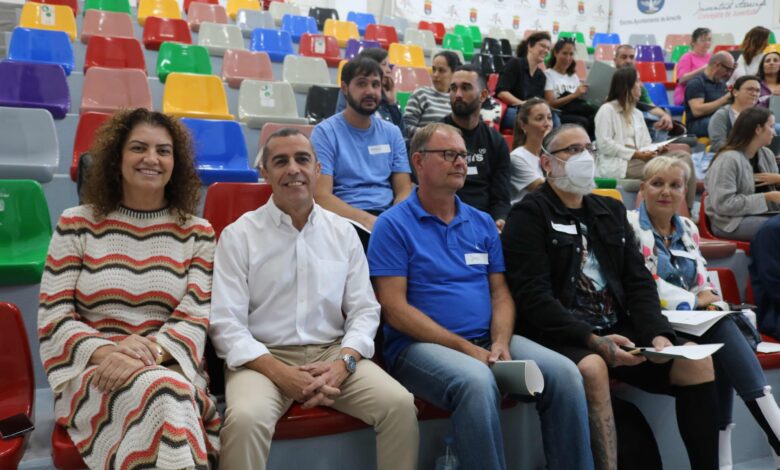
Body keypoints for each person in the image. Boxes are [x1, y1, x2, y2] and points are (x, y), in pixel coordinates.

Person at [368, 122, 593, 470]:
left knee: (565, 374)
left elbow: (500, 293)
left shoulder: (483, 222)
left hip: (487, 343)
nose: (460, 162)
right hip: (418, 348)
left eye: (462, 155)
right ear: (418, 161)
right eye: (448, 155)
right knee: (476, 381)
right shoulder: (392, 224)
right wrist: (465, 349)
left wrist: (500, 341)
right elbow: (395, 310)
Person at [502, 124, 719, 470]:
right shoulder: (529, 215)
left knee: (696, 361)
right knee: (594, 368)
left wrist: (657, 335)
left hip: (618, 328)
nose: (583, 156)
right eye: (571, 150)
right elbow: (533, 298)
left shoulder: (609, 211)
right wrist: (591, 339)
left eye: (588, 148)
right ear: (546, 163)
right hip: (560, 334)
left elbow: (639, 283)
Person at [210, 128, 419, 470]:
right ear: (265, 172)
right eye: (280, 161)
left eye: (302, 159)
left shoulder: (344, 233)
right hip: (263, 358)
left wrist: (344, 363)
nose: (293, 169)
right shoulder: (239, 235)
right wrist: (282, 374)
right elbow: (226, 324)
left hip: (332, 354)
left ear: (318, 169)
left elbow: (365, 311)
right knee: (245, 420)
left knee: (399, 405)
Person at [37, 109, 220, 469]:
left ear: (176, 162)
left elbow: (196, 313)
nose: (151, 159)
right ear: (116, 158)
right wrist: (108, 351)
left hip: (170, 364)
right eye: (139, 148)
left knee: (166, 391)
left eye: (163, 151)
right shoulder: (77, 223)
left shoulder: (198, 233)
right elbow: (54, 314)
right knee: (167, 398)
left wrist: (146, 353)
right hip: (97, 372)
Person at [629, 156, 780, 469]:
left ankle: (726, 460)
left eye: (674, 185)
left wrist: (706, 296)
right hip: (652, 321)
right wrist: (694, 301)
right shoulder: (629, 227)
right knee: (722, 328)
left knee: (718, 330)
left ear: (685, 191)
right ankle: (775, 431)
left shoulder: (686, 227)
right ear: (643, 188)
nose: (665, 192)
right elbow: (644, 284)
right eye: (657, 184)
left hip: (693, 320)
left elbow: (699, 281)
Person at [311, 57, 413, 231]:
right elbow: (321, 195)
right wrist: (368, 221)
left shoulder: (392, 132)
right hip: (343, 219)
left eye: (375, 84)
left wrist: (393, 218)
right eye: (361, 84)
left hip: (387, 216)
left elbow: (404, 189)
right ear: (344, 88)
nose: (370, 91)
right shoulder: (325, 133)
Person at [594, 66, 696, 209]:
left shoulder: (637, 114)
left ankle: (688, 210)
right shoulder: (606, 110)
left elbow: (646, 143)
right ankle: (674, 210)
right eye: (637, 81)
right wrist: (636, 154)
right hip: (621, 161)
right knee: (671, 168)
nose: (641, 85)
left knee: (684, 157)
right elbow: (604, 144)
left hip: (642, 157)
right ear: (626, 86)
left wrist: (657, 149)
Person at [442, 64, 511, 230]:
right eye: (453, 88)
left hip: (484, 222)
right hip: (444, 219)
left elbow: (501, 198)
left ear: (483, 95)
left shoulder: (496, 141)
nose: (457, 94)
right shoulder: (436, 136)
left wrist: (499, 220)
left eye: (465, 88)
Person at [704, 107, 780, 240]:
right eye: (771, 126)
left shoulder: (767, 154)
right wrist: (768, 197)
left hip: (764, 215)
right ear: (758, 129)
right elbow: (724, 205)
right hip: (730, 222)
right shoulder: (728, 159)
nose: (774, 132)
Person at [334, 47, 404, 134]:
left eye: (375, 85)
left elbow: (401, 133)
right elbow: (344, 127)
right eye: (384, 64)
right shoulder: (351, 92)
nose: (389, 70)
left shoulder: (386, 93)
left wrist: (392, 103)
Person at [613, 44, 674, 136]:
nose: (628, 61)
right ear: (615, 60)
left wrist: (665, 115)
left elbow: (649, 105)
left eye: (631, 57)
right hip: (614, 116)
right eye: (624, 57)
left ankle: (657, 141)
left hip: (634, 116)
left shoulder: (637, 82)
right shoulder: (606, 77)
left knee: (664, 112)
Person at [495, 30, 552, 130]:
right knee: (535, 123)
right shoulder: (515, 63)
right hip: (510, 110)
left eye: (548, 48)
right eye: (542, 46)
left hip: (531, 112)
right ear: (530, 46)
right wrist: (523, 104)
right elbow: (501, 92)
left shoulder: (541, 76)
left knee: (553, 120)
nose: (546, 50)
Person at [544, 37, 597, 138]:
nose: (568, 58)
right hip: (559, 113)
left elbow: (578, 100)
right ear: (555, 53)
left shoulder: (573, 76)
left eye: (571, 54)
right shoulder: (548, 75)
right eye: (564, 53)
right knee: (583, 121)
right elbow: (550, 104)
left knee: (596, 116)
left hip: (575, 110)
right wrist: (574, 95)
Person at [403, 50, 461, 138]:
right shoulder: (421, 94)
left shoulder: (458, 98)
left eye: (441, 70)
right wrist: (434, 136)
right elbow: (405, 128)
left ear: (454, 73)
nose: (435, 74)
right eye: (434, 69)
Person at [510, 97, 552, 204]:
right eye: (539, 118)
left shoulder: (551, 155)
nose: (547, 124)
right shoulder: (517, 157)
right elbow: (545, 190)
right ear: (523, 125)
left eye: (550, 118)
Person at [684, 51, 735, 137]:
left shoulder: (721, 83)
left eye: (731, 70)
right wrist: (724, 100)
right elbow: (697, 111)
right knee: (725, 123)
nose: (729, 74)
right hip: (697, 124)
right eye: (727, 70)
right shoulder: (696, 83)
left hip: (716, 119)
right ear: (717, 65)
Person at [708, 75, 761, 152]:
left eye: (758, 91)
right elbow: (718, 145)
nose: (754, 93)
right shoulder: (721, 115)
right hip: (730, 158)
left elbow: (772, 140)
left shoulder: (761, 116)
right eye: (750, 89)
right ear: (735, 92)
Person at [674, 27, 712, 106]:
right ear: (693, 42)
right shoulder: (686, 57)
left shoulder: (712, 57)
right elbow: (681, 79)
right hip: (688, 96)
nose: (707, 43)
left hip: (707, 95)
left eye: (709, 40)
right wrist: (703, 69)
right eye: (703, 40)